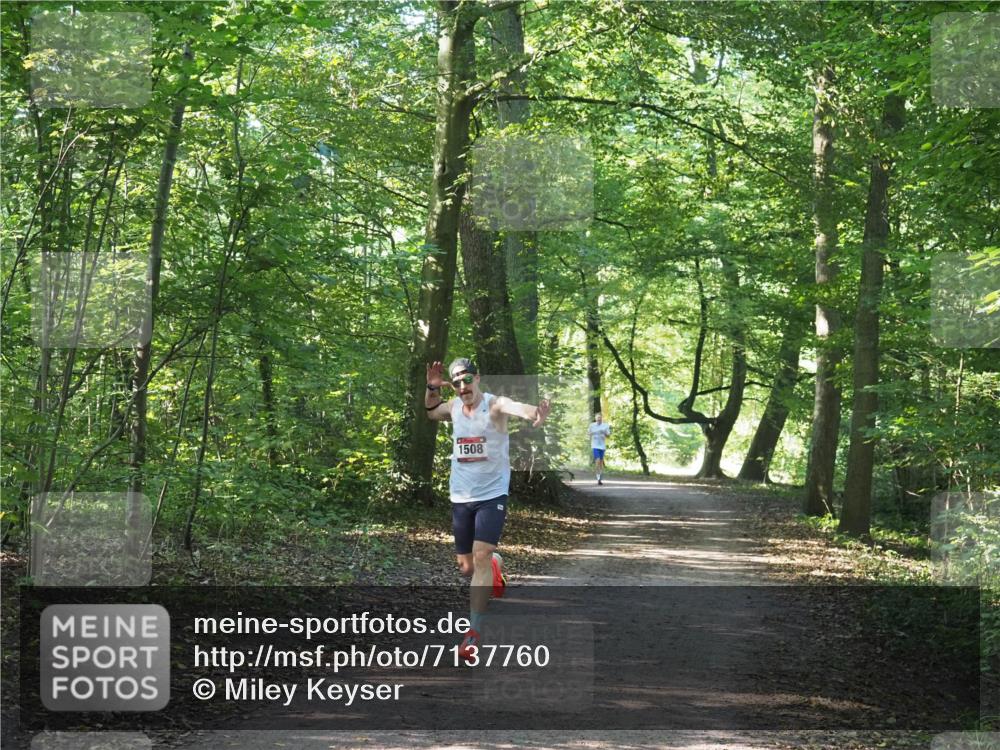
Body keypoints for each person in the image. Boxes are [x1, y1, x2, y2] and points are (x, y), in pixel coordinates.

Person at [425, 357, 551, 662]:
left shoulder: (494, 405)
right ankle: (494, 565)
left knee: (480, 555)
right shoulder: (454, 407)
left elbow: (517, 407)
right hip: (460, 495)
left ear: (477, 378)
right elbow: (431, 411)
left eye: (467, 380)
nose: (463, 387)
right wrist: (431, 386)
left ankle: (473, 634)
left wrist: (536, 413)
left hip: (492, 494)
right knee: (467, 568)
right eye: (457, 382)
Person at [588, 413, 611, 485]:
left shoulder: (605, 425)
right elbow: (588, 433)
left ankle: (600, 477)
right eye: (597, 418)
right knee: (597, 461)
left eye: (600, 418)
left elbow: (608, 436)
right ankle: (597, 477)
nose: (599, 419)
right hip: (595, 446)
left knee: (601, 462)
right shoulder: (592, 425)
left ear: (601, 418)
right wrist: (592, 433)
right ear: (595, 418)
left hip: (602, 446)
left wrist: (604, 432)